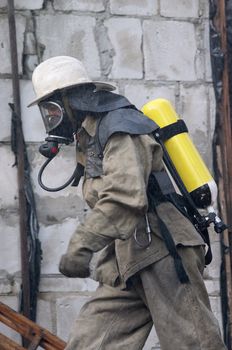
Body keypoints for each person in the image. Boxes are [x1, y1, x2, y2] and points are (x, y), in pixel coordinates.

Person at [28, 56, 227, 350]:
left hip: (163, 251)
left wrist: (81, 246)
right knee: (89, 343)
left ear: (70, 99)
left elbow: (125, 196)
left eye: (52, 108)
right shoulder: (92, 135)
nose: (51, 118)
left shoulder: (122, 127)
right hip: (128, 258)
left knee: (194, 343)